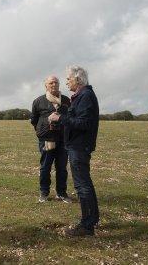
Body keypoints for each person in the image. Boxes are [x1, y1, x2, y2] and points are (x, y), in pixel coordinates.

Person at [48, 66, 100, 236]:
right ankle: (92, 219)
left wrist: (60, 117)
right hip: (76, 146)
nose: (66, 82)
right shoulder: (82, 96)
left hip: (79, 147)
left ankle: (86, 226)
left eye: (68, 79)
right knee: (86, 185)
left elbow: (84, 124)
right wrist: (61, 121)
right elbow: (77, 120)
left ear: (78, 80)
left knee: (82, 187)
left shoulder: (85, 96)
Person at [30, 76, 71, 203]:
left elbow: (71, 117)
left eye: (56, 82)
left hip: (63, 139)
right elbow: (34, 120)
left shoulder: (67, 100)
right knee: (45, 167)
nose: (54, 84)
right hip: (47, 139)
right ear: (46, 86)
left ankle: (61, 193)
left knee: (61, 167)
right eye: (51, 83)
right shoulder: (38, 101)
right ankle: (44, 192)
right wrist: (41, 130)